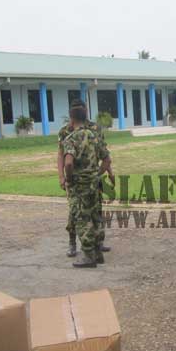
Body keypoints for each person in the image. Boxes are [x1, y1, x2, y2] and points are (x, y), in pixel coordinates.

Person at [61, 100, 111, 268]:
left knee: (82, 219)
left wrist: (69, 179)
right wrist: (97, 174)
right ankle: (98, 253)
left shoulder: (71, 138)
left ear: (71, 119)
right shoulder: (94, 136)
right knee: (96, 217)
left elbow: (68, 163)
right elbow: (107, 159)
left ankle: (88, 255)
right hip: (94, 184)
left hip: (79, 186)